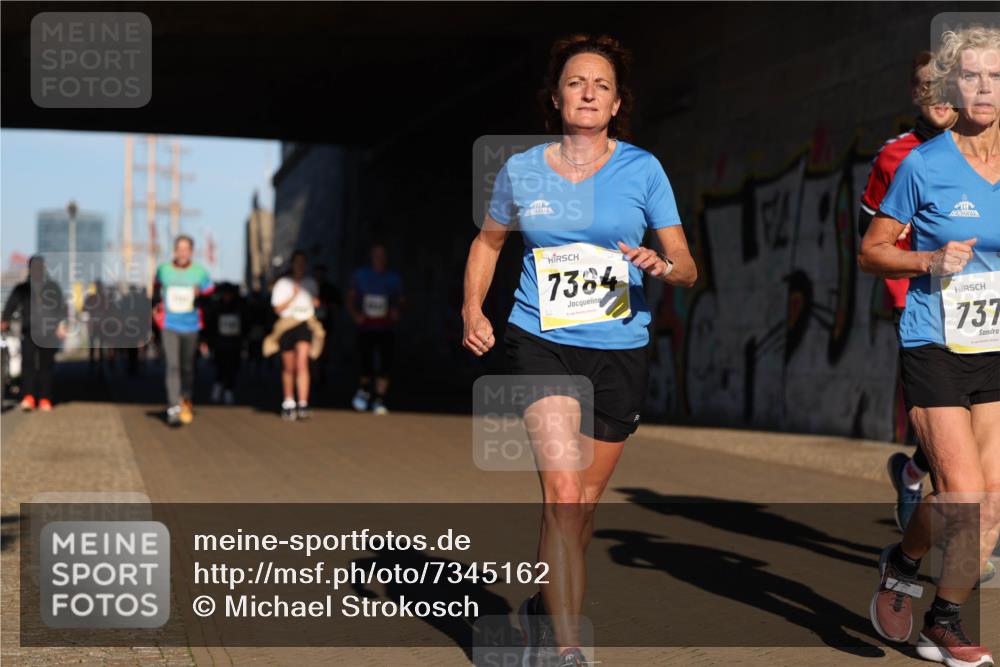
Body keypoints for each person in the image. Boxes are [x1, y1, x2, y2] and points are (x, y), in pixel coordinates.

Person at [462, 34, 696, 667]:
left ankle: (543, 608)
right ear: (556, 97)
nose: (588, 93)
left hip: (619, 348)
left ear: (617, 103)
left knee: (582, 510)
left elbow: (687, 265)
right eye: (575, 82)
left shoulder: (643, 169)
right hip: (541, 340)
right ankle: (568, 650)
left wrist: (663, 265)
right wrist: (472, 308)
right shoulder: (521, 169)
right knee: (563, 497)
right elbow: (488, 243)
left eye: (601, 85)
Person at [859, 26, 999, 667]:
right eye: (970, 76)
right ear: (952, 86)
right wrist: (928, 260)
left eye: (995, 75)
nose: (984, 88)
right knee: (962, 495)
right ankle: (917, 579)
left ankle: (933, 606)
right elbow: (872, 252)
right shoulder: (923, 165)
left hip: (995, 345)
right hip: (936, 342)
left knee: (985, 501)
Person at [858, 51, 959, 533]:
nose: (937, 93)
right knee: (944, 416)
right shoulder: (895, 157)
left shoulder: (989, 149)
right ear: (914, 94)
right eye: (926, 84)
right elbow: (871, 243)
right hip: (918, 300)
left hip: (983, 299)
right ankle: (968, 532)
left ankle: (913, 474)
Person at [154, 235, 213, 427]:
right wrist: (155, 308)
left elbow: (210, 294)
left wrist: (199, 293)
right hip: (169, 324)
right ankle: (173, 406)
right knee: (172, 365)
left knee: (187, 366)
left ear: (191, 251)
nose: (182, 252)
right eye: (179, 248)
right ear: (175, 250)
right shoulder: (163, 270)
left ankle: (185, 397)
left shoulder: (200, 272)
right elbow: (155, 290)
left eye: (186, 249)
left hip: (191, 325)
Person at [1, 255, 67, 412]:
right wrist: (5, 320)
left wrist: (62, 325)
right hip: (29, 330)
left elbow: (62, 308)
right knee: (28, 364)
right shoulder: (22, 288)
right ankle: (29, 397)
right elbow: (11, 304)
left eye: (40, 267)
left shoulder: (52, 287)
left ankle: (45, 398)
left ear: (43, 269)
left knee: (46, 366)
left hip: (49, 332)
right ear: (30, 269)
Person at [348, 243, 403, 415]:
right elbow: (350, 297)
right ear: (371, 257)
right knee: (366, 362)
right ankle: (364, 390)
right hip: (366, 327)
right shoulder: (361, 275)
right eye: (376, 255)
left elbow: (401, 299)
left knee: (385, 364)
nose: (379, 258)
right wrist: (355, 314)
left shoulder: (393, 278)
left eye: (382, 255)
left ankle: (379, 399)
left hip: (385, 327)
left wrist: (397, 310)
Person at [269, 250, 321, 420]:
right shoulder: (283, 284)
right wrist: (294, 295)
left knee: (302, 363)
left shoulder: (310, 283)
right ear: (292, 264)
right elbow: (277, 309)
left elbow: (315, 303)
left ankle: (303, 402)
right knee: (289, 367)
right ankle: (289, 401)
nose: (300, 265)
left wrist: (315, 302)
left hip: (304, 324)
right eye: (297, 262)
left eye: (302, 262)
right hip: (287, 325)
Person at [205, 282, 245, 405]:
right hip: (220, 343)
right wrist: (210, 342)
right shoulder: (217, 307)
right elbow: (211, 325)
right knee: (220, 367)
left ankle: (228, 390)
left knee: (232, 368)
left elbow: (245, 324)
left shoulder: (239, 307)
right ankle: (218, 388)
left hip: (234, 343)